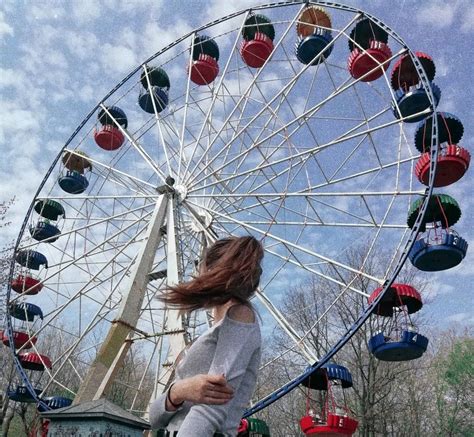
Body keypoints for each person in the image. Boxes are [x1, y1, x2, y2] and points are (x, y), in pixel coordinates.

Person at [150, 236, 264, 437]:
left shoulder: (241, 316)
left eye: (199, 266)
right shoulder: (211, 334)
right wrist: (179, 391)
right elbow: (155, 418)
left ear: (210, 269)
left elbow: (211, 409)